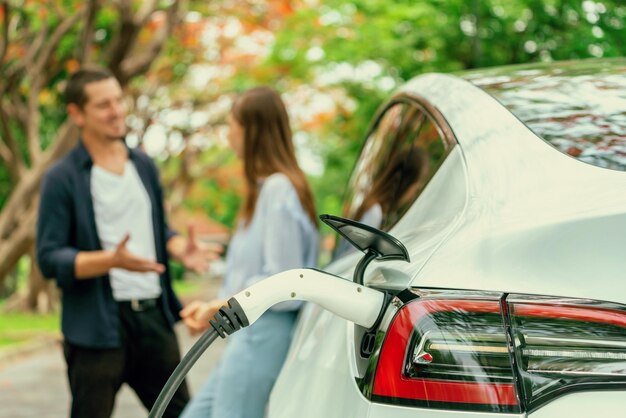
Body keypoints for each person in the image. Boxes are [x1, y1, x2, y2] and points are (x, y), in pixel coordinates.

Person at [36, 66, 217, 418]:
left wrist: (180, 247)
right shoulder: (61, 178)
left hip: (153, 319)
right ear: (77, 114)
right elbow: (49, 257)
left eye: (118, 100)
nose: (116, 111)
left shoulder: (144, 166)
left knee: (182, 414)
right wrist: (110, 261)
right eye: (103, 105)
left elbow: (157, 232)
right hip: (96, 328)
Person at [180, 87, 319, 418]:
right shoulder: (263, 192)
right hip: (247, 335)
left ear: (251, 130)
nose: (228, 137)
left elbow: (286, 287)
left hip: (262, 336)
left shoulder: (278, 189)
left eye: (231, 126)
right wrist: (217, 307)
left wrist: (219, 306)